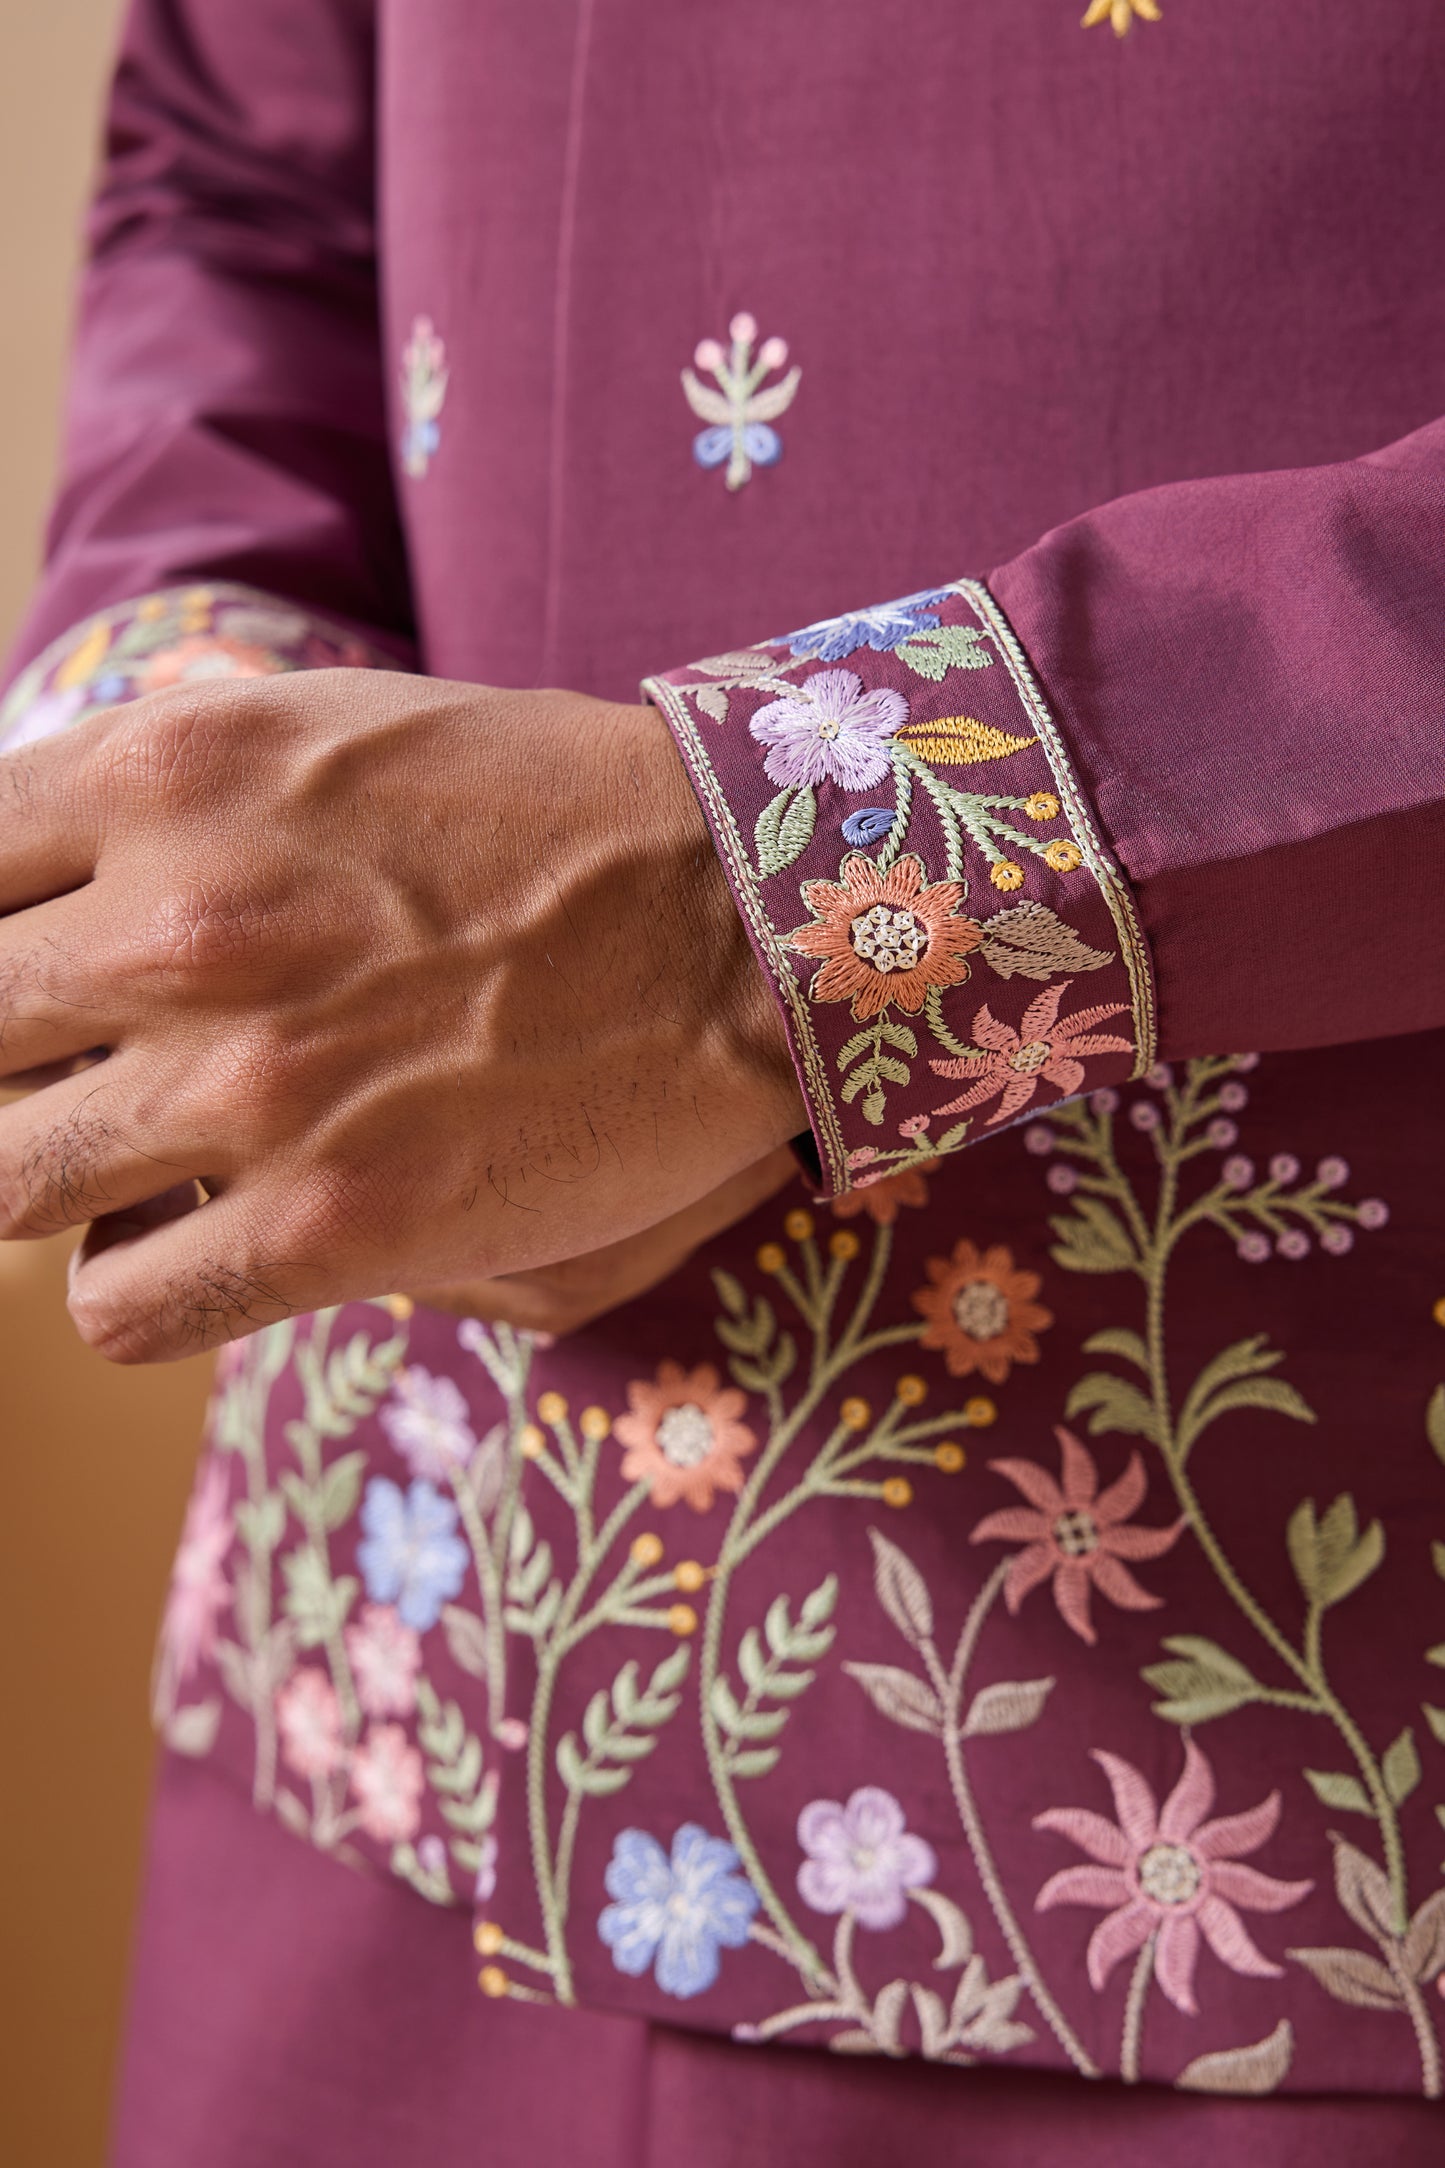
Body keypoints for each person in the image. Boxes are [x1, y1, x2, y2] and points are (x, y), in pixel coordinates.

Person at [2, 1, 1443, 2160]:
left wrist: (783, 889)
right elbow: (238, 144)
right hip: (389, 1743)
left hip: (1280, 1863)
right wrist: (184, 805)